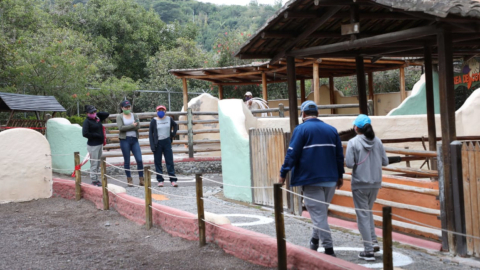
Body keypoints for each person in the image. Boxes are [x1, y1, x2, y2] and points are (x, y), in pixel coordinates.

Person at [278, 100, 344, 257]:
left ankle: (329, 250)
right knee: (320, 213)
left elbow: (292, 154)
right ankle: (314, 241)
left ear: (303, 114)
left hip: (310, 179)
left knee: (319, 215)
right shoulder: (332, 130)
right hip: (330, 179)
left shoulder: (301, 130)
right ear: (318, 114)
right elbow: (339, 156)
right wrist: (340, 175)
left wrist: (282, 174)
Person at [345, 114, 388, 261]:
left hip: (359, 184)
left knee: (362, 215)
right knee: (367, 212)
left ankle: (368, 250)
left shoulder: (353, 142)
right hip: (375, 183)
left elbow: (349, 164)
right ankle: (374, 242)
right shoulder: (378, 141)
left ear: (356, 127)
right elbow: (385, 161)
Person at [149, 105, 179, 187]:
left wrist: (173, 134)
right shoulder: (154, 121)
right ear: (156, 111)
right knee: (158, 162)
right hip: (158, 143)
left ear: (165, 111)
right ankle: (160, 180)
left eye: (162, 110)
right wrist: (152, 145)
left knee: (169, 161)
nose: (161, 111)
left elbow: (175, 125)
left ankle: (173, 180)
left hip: (167, 142)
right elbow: (150, 134)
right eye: (159, 110)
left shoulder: (169, 119)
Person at [116, 100, 144, 187]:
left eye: (129, 107)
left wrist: (130, 126)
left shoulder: (134, 115)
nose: (128, 108)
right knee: (127, 160)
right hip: (125, 140)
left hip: (134, 139)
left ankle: (141, 178)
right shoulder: (119, 116)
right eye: (126, 107)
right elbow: (121, 128)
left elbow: (138, 125)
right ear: (122, 108)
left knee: (139, 159)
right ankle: (129, 179)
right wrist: (132, 126)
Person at [82, 105, 109, 186]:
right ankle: (94, 180)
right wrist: (96, 135)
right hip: (93, 145)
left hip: (100, 144)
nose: (93, 113)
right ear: (87, 113)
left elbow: (106, 114)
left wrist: (98, 113)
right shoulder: (87, 122)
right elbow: (85, 133)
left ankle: (96, 179)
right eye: (91, 112)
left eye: (94, 112)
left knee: (98, 163)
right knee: (94, 163)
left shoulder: (97, 119)